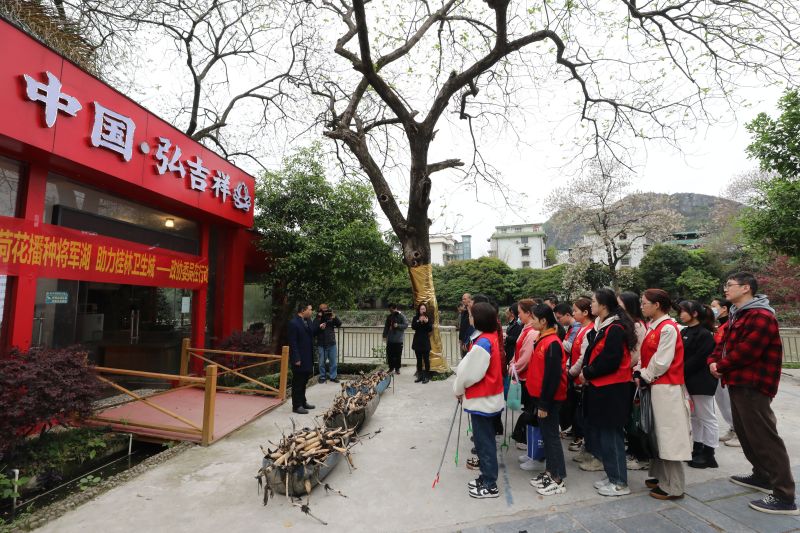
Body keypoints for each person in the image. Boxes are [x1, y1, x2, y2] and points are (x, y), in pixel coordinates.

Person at [709, 272, 798, 515]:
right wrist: (713, 362)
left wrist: (721, 366)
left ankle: (784, 496)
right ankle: (762, 475)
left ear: (746, 287)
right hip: (737, 381)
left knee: (764, 437)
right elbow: (723, 344)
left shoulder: (761, 315)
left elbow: (748, 350)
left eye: (729, 285)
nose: (725, 289)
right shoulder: (738, 314)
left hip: (754, 384)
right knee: (746, 434)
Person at [578, 288, 637, 497]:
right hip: (601, 388)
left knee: (612, 436)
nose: (591, 305)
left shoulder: (615, 328)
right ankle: (612, 474)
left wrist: (588, 372)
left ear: (603, 305)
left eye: (594, 301)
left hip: (612, 390)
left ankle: (620, 482)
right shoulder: (603, 326)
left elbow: (610, 360)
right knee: (604, 435)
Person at [636, 289, 692, 501]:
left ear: (656, 305)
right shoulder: (655, 326)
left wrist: (644, 375)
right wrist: (641, 372)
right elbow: (647, 356)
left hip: (667, 388)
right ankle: (661, 477)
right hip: (656, 385)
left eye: (644, 303)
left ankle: (674, 486)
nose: (642, 306)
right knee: (658, 433)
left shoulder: (668, 328)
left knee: (669, 436)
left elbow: (662, 361)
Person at [453, 302, 505, 499]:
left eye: (471, 315)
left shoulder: (483, 342)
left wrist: (458, 389)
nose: (470, 318)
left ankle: (490, 484)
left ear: (478, 319)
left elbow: (469, 373)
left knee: (484, 443)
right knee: (485, 441)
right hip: (488, 397)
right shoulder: (489, 337)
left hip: (483, 398)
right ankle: (485, 477)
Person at [526, 304, 569, 496]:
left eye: (534, 319)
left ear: (543, 321)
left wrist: (544, 403)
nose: (531, 322)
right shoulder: (542, 338)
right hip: (541, 397)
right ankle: (550, 472)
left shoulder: (552, 343)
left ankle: (557, 478)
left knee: (551, 437)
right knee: (547, 435)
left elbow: (552, 377)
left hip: (549, 399)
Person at [677, 300, 719, 469]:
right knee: (694, 416)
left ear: (694, 313)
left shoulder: (705, 334)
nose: (680, 314)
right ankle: (697, 447)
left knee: (707, 417)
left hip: (701, 381)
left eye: (683, 311)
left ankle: (710, 454)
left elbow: (700, 358)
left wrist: (680, 371)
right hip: (688, 379)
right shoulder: (685, 331)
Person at [617, 291, 650, 471]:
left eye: (619, 304)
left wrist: (619, 368)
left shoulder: (637, 326)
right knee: (628, 417)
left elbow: (636, 355)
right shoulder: (627, 324)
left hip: (631, 376)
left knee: (634, 418)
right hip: (625, 374)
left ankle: (640, 455)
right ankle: (633, 450)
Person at [565, 297, 595, 453]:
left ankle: (581, 438)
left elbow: (583, 357)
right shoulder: (581, 328)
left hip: (579, 376)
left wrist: (571, 372)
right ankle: (578, 435)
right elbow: (574, 353)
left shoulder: (589, 330)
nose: (573, 313)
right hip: (574, 375)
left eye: (575, 310)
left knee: (580, 412)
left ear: (585, 312)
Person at [511, 299, 540, 459]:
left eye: (520, 313)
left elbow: (526, 357)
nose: (518, 316)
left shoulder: (532, 332)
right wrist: (512, 363)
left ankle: (529, 443)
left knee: (530, 410)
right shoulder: (525, 329)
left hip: (529, 376)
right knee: (528, 409)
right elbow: (519, 352)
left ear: (529, 313)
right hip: (522, 375)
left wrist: (514, 368)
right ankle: (528, 444)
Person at [710, 297, 738, 447]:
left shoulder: (730, 325)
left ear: (724, 308)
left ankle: (740, 433)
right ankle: (733, 428)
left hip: (726, 369)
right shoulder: (719, 326)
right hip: (717, 369)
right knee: (723, 402)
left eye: (714, 306)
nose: (711, 309)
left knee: (730, 402)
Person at [554, 303, 580, 436]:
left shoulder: (577, 327)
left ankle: (576, 431)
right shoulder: (571, 328)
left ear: (568, 315)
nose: (558, 321)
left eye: (559, 318)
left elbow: (570, 347)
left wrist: (556, 338)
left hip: (573, 369)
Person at [287, 303, 316, 414]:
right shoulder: (293, 323)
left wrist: (319, 327)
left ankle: (303, 402)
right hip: (299, 358)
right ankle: (296, 406)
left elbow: (312, 333)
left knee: (304, 381)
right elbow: (293, 343)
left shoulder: (308, 321)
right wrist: (296, 358)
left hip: (307, 357)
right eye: (310, 309)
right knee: (298, 383)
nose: (311, 311)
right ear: (303, 310)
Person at [312, 303, 342, 383]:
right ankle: (322, 376)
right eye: (322, 309)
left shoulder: (331, 317)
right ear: (320, 310)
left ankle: (333, 377)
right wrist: (319, 322)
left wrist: (334, 317)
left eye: (325, 308)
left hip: (332, 343)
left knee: (333, 362)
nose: (324, 310)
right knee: (321, 362)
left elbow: (339, 324)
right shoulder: (317, 318)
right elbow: (313, 331)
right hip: (321, 344)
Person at [383, 304, 408, 374]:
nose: (391, 311)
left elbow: (406, 325)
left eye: (392, 310)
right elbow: (386, 327)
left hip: (398, 339)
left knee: (398, 355)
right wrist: (384, 335)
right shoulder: (389, 317)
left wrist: (398, 325)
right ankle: (391, 368)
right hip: (390, 339)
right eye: (390, 310)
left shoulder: (401, 316)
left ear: (395, 309)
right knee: (390, 354)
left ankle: (397, 368)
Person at [411, 303, 433, 383]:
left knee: (426, 360)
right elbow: (413, 327)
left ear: (426, 310)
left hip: (425, 342)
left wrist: (426, 322)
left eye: (424, 309)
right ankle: (419, 376)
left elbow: (430, 329)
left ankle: (427, 377)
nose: (423, 310)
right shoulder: (415, 318)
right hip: (417, 341)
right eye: (421, 309)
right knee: (419, 360)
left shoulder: (428, 318)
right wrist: (419, 321)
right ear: (419, 310)